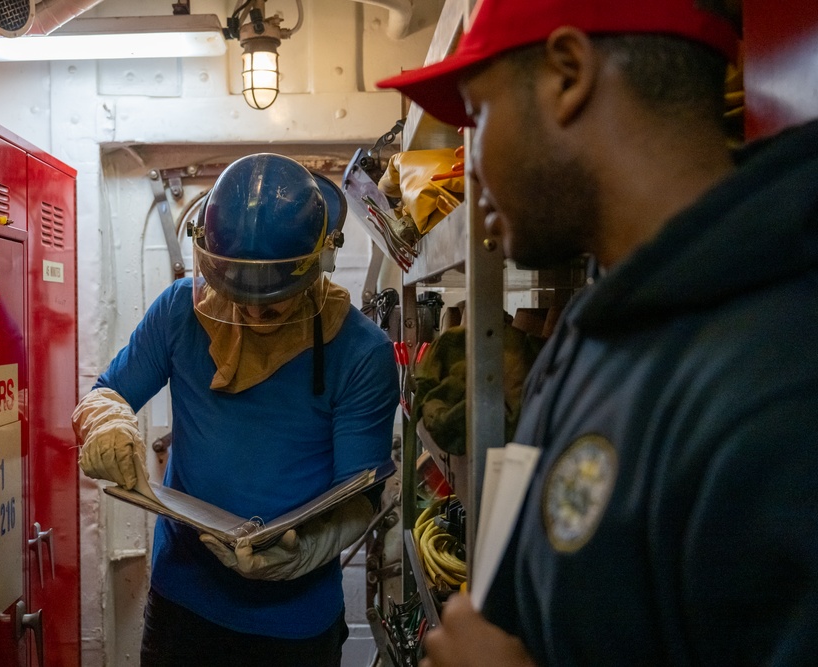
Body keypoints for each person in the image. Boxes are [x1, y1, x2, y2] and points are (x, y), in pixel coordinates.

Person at [377, 0, 818, 665]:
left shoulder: (783, 384)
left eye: (482, 114)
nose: (469, 167)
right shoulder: (594, 335)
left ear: (567, 75)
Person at [71, 152, 399, 666]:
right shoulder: (181, 309)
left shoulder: (362, 352)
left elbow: (361, 496)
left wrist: (301, 553)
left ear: (318, 262)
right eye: (236, 293)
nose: (251, 312)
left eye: (273, 300)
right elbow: (107, 392)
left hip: (295, 624)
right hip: (182, 599)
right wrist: (107, 424)